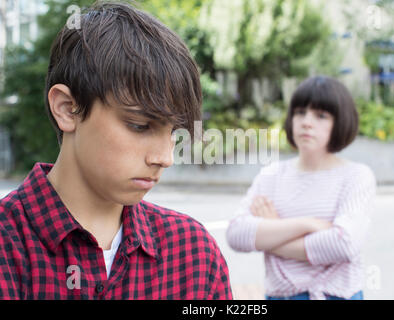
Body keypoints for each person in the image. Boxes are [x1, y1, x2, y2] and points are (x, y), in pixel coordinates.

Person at [0, 1, 232, 300]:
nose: (164, 158)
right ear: (68, 109)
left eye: (174, 132)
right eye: (140, 125)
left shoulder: (193, 255)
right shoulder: (8, 247)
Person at [226, 76, 376, 300]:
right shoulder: (271, 176)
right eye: (299, 112)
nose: (306, 122)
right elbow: (236, 234)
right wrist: (309, 224)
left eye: (321, 115)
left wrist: (272, 233)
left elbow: (345, 244)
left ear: (340, 121)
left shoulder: (356, 176)